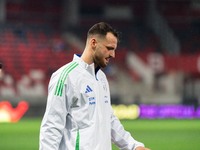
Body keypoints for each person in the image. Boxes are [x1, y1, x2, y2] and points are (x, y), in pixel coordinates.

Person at [39, 22, 150, 150]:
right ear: (93, 43)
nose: (113, 55)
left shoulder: (101, 78)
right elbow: (51, 126)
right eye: (109, 48)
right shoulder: (65, 76)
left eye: (114, 49)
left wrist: (133, 146)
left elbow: (108, 119)